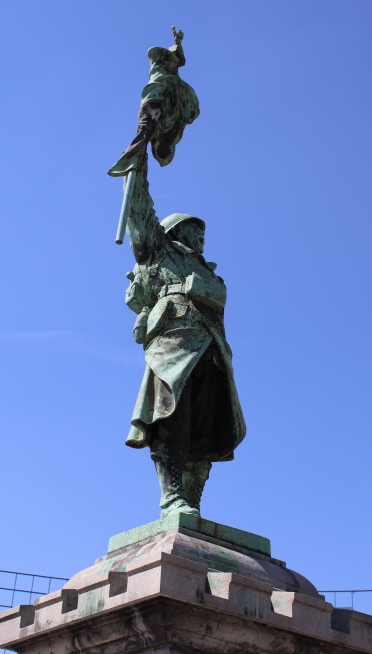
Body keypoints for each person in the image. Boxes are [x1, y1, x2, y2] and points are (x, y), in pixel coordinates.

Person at [123, 142, 246, 519]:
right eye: (195, 231)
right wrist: (138, 162)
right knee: (170, 418)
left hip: (210, 348)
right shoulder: (160, 251)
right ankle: (171, 495)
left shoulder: (209, 272)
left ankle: (191, 499)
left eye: (203, 235)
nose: (201, 239)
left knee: (206, 427)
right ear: (177, 231)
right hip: (172, 347)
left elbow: (219, 301)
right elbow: (140, 210)